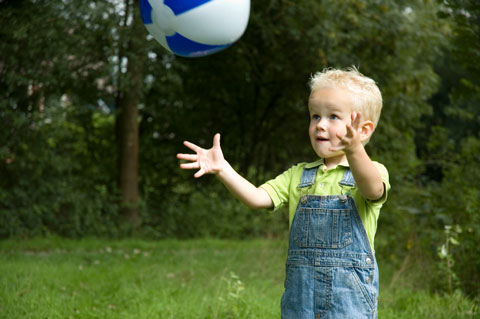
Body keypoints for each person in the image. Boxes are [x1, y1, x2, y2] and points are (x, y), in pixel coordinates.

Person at [177, 67, 390, 319]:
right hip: (301, 299)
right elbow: (257, 198)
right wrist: (223, 169)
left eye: (333, 117)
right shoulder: (298, 175)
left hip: (350, 301)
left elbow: (372, 189)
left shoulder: (370, 172)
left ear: (363, 131)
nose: (320, 125)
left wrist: (355, 151)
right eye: (314, 116)